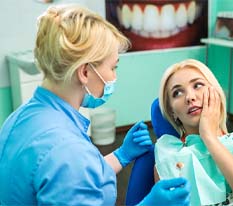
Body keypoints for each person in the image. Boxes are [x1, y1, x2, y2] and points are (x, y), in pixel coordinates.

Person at [0, 4, 190, 205]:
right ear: (84, 72)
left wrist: (121, 155)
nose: (114, 76)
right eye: (112, 67)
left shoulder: (19, 118)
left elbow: (74, 179)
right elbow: (72, 168)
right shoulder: (67, 150)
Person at [154, 59, 233, 205]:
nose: (190, 97)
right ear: (172, 112)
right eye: (177, 93)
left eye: (197, 85)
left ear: (216, 93)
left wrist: (209, 138)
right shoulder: (168, 159)